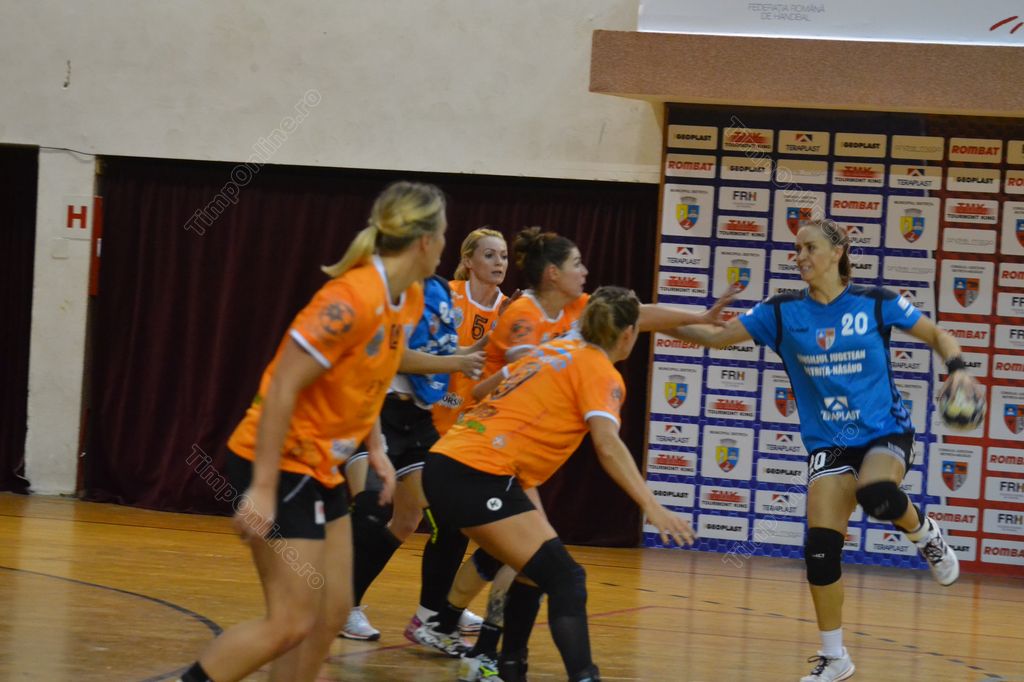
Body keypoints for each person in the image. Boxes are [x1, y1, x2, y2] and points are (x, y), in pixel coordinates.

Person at [665, 219, 974, 682]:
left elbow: (936, 335)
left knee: (877, 493)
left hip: (884, 430)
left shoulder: (876, 302)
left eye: (810, 247)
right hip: (830, 443)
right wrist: (649, 320)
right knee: (821, 549)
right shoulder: (782, 312)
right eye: (797, 249)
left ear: (838, 251)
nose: (801, 257)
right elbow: (713, 336)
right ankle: (835, 657)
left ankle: (925, 535)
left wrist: (959, 368)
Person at [176, 180, 446, 682]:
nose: (444, 246)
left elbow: (374, 373)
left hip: (321, 466)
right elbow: (282, 385)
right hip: (279, 461)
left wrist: (377, 448)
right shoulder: (350, 298)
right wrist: (261, 489)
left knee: (332, 612)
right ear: (425, 241)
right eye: (445, 235)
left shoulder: (407, 298)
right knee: (290, 621)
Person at [423, 286, 700, 682]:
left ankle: (505, 665)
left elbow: (482, 390)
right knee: (567, 579)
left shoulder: (551, 350)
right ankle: (580, 675)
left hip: (451, 460)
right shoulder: (602, 372)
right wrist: (653, 507)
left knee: (533, 569)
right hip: (477, 473)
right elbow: (607, 445)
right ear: (628, 335)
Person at [338, 271, 487, 648]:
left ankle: (429, 619)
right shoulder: (393, 290)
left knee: (447, 521)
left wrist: (487, 344)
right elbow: (397, 357)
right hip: (376, 411)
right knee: (372, 510)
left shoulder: (437, 291)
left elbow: (448, 355)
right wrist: (456, 365)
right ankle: (340, 605)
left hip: (417, 420)